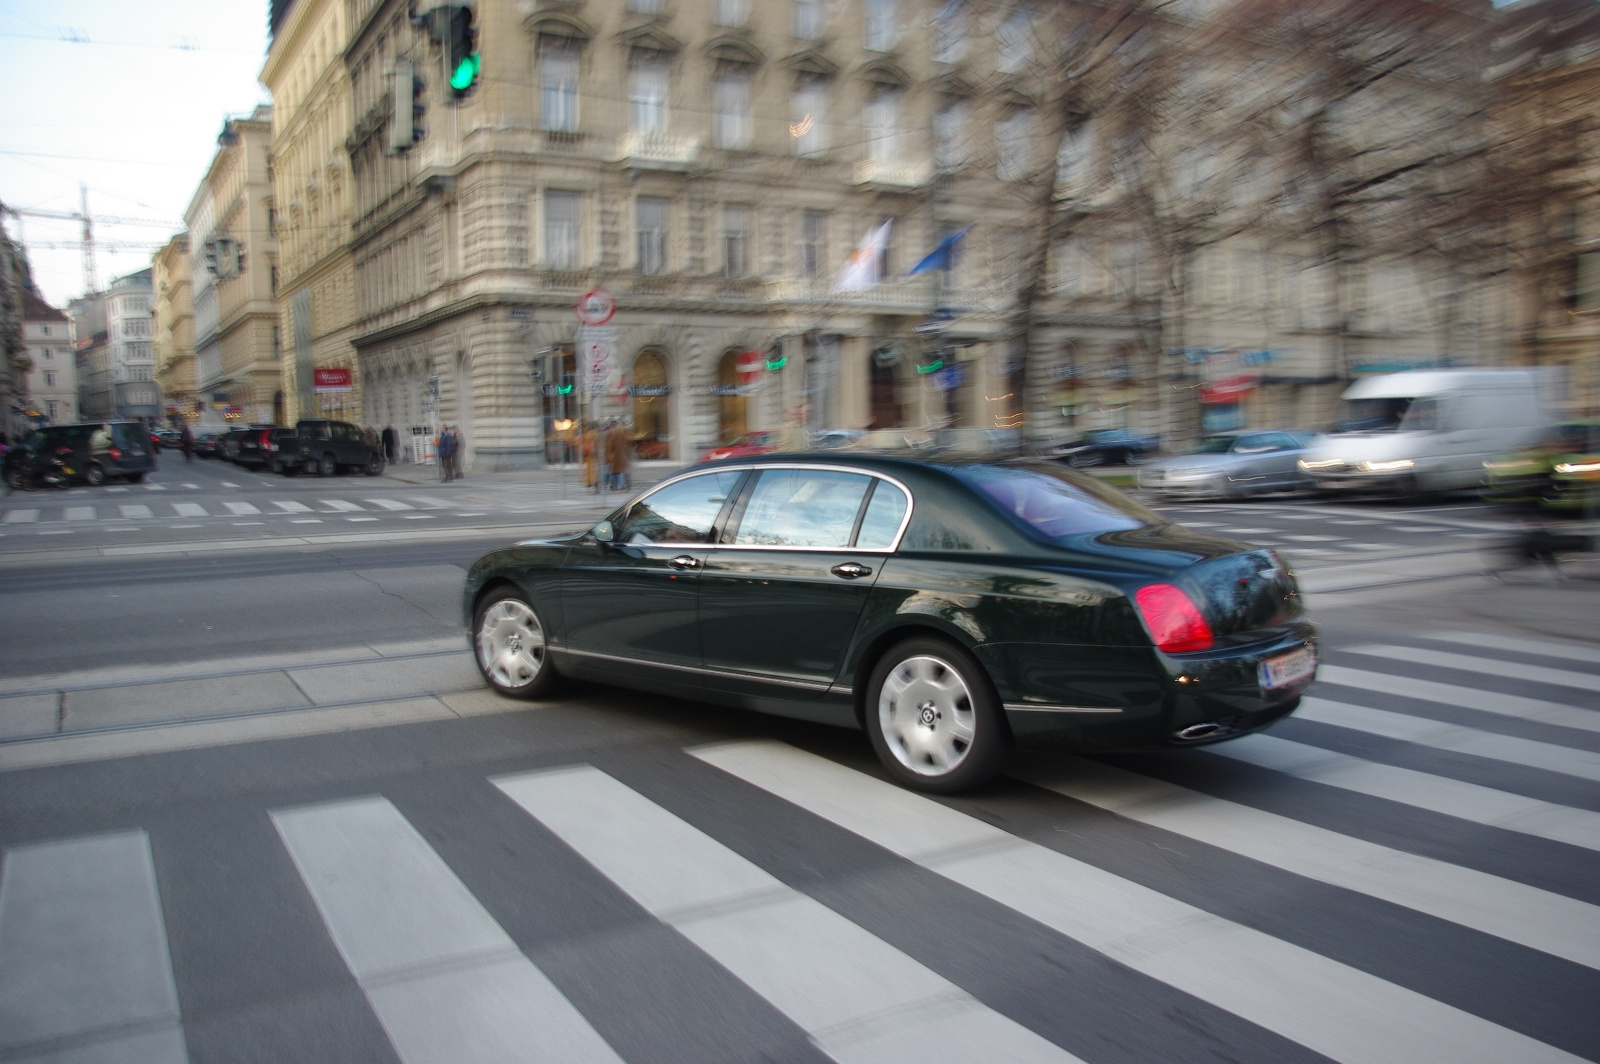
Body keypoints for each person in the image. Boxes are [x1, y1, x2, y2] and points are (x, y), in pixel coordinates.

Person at [604, 420, 632, 492]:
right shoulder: (623, 431)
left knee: (613, 471)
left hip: (613, 454)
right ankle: (623, 485)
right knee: (622, 470)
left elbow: (609, 445)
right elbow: (627, 442)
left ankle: (614, 485)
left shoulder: (610, 432)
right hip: (622, 454)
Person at [581, 421, 600, 493]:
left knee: (591, 470)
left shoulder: (589, 434)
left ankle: (592, 482)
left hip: (591, 454)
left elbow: (588, 444)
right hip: (595, 454)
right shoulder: (596, 433)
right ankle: (595, 482)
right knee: (595, 469)